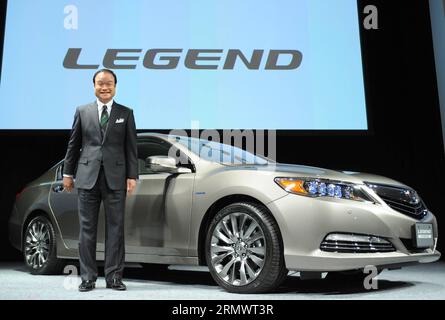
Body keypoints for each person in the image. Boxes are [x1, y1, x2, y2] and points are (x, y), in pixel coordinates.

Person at [62, 69, 138, 292]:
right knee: (87, 229)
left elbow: (131, 148)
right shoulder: (82, 111)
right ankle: (87, 277)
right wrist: (68, 173)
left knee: (116, 229)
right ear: (93, 85)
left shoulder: (126, 112)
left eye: (109, 84)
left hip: (116, 178)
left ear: (115, 86)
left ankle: (114, 277)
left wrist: (132, 176)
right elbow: (73, 145)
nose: (105, 87)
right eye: (100, 83)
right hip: (87, 178)